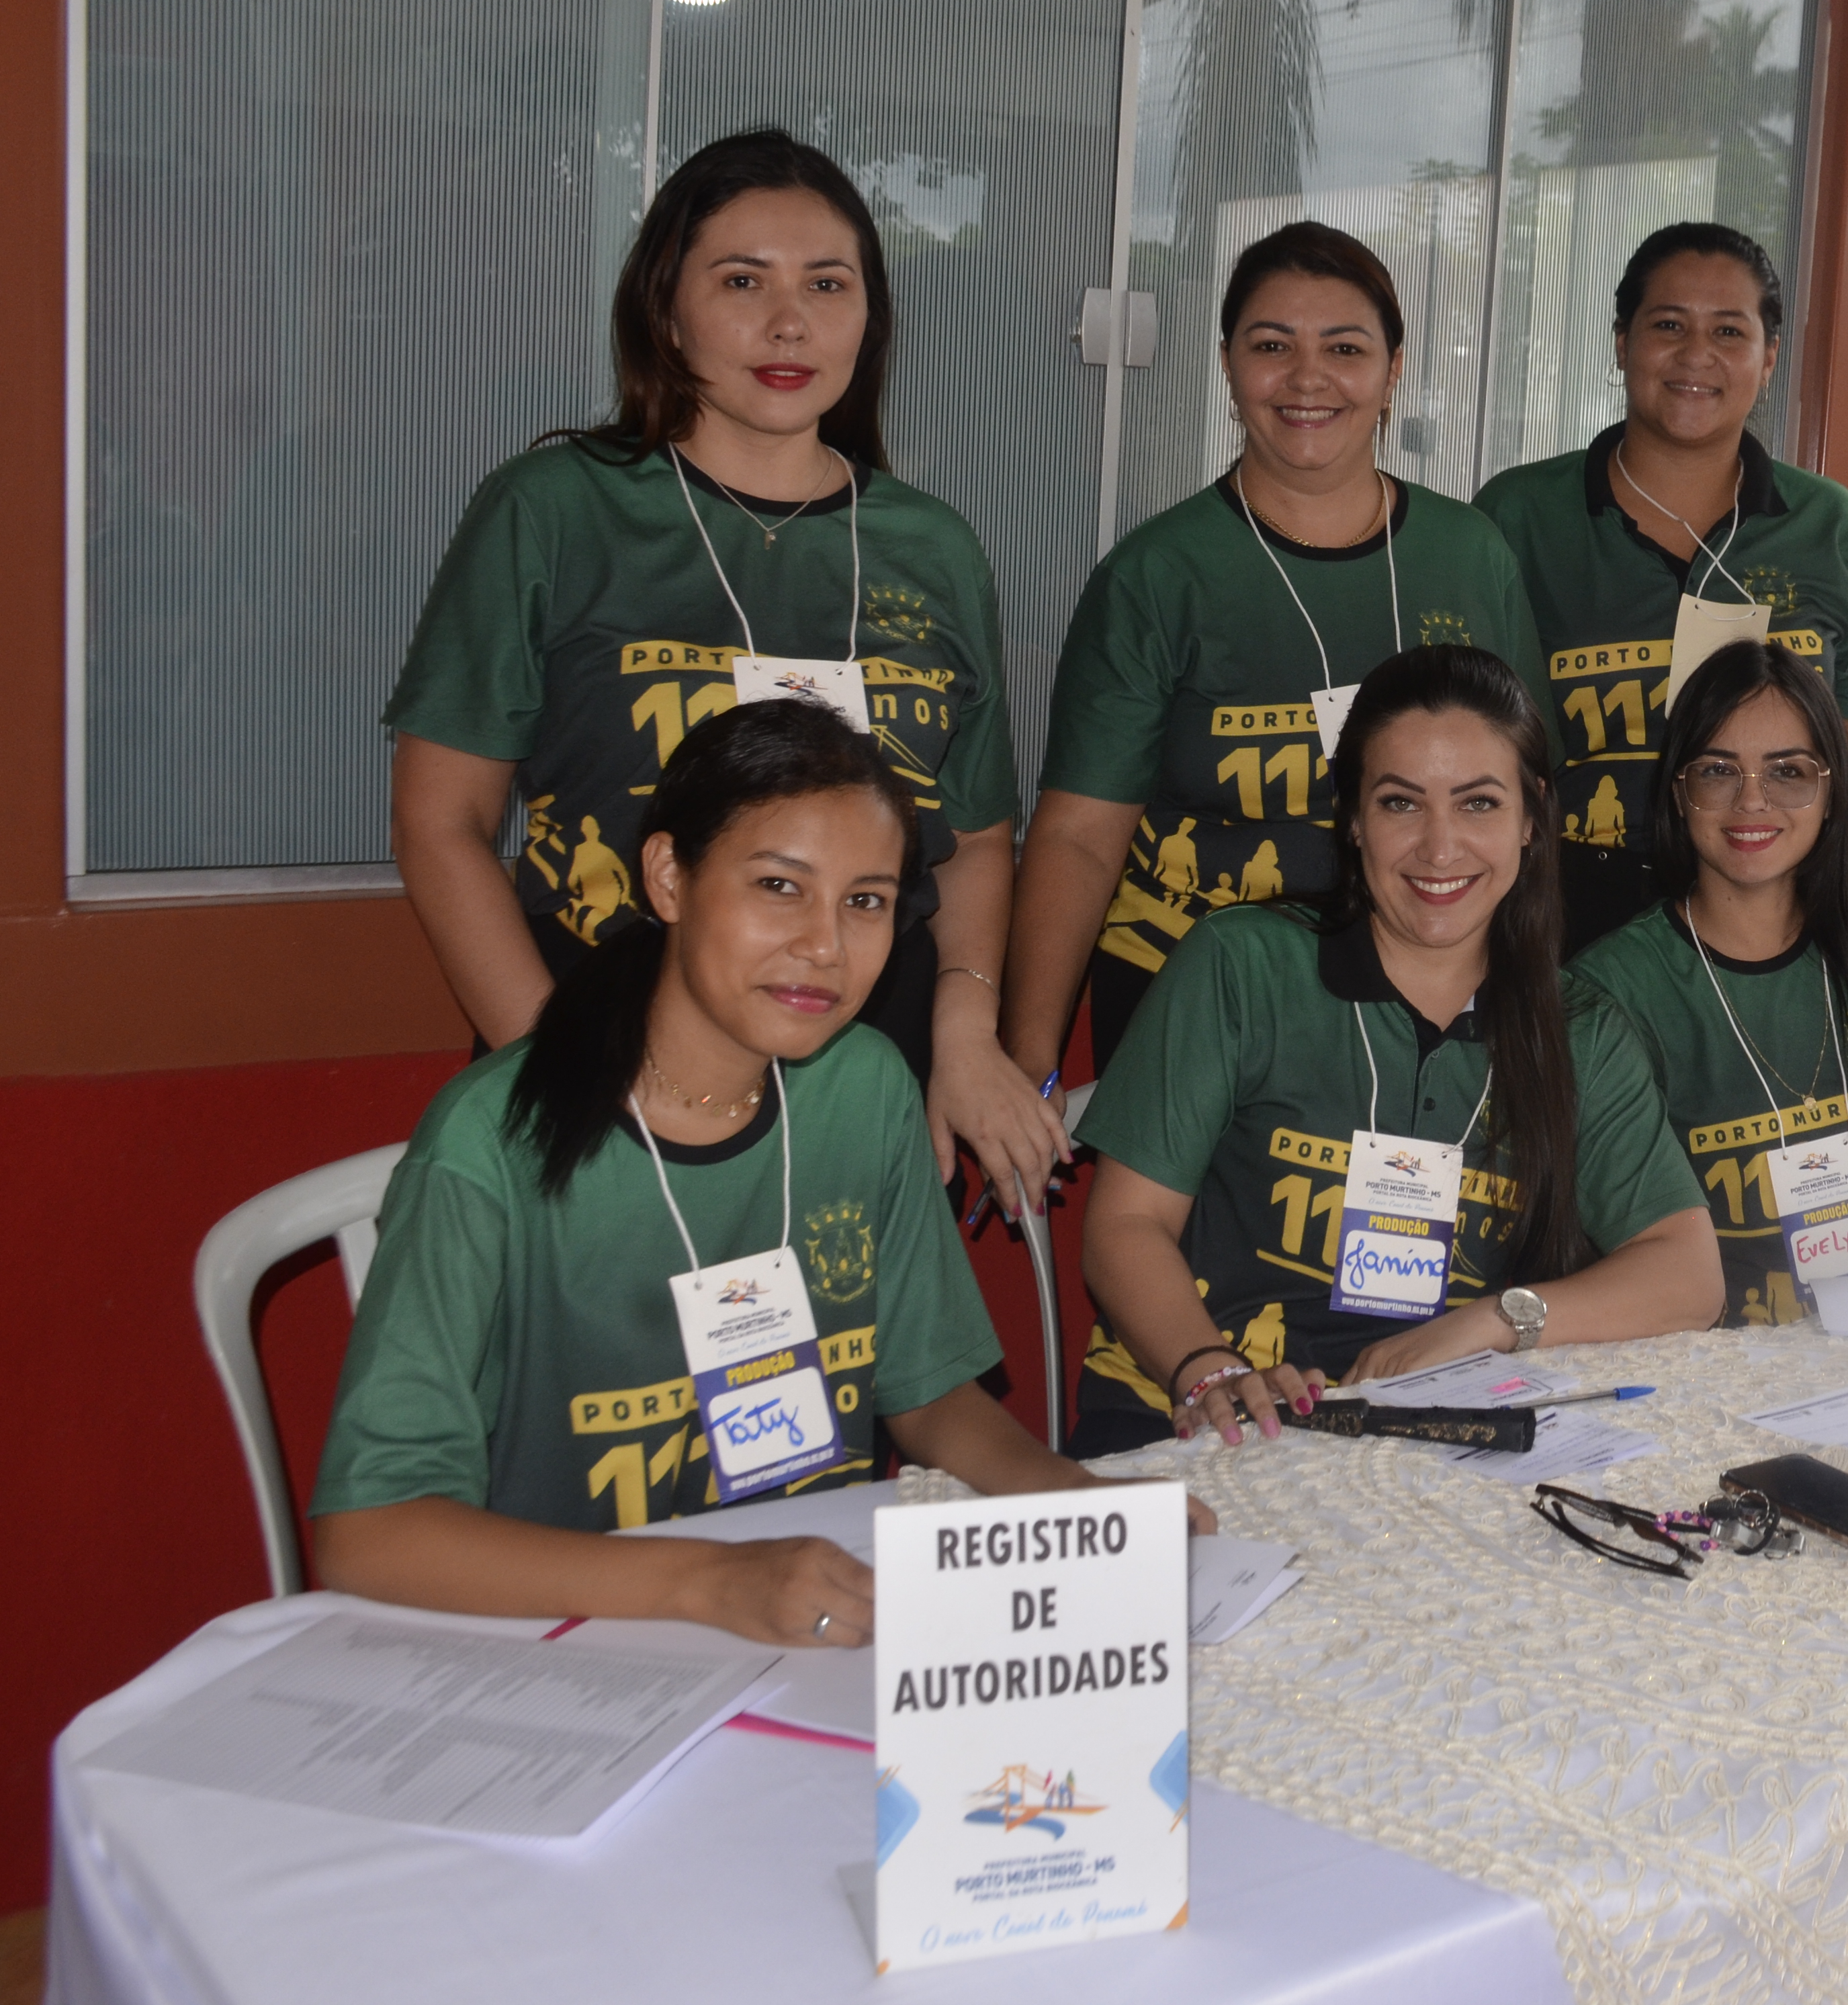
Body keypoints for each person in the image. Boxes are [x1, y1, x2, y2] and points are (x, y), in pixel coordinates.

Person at [310, 703, 1200, 1649]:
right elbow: (369, 1533)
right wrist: (710, 1582)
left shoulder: (863, 1089)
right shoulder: (491, 1141)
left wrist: (1077, 1499)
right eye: (781, 886)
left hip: (806, 1624)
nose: (826, 946)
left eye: (866, 901)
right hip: (566, 1636)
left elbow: (926, 1394)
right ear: (669, 878)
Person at [384, 128, 1067, 1214]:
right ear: (667, 307)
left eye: (827, 284)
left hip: (861, 1076)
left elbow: (976, 842)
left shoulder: (929, 547)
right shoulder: (556, 511)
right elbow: (440, 823)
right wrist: (562, 1075)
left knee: (849, 1382)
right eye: (742, 280)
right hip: (598, 1055)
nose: (788, 320)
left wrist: (965, 1036)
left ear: (867, 319)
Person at [1066, 645, 1718, 1456]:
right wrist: (1207, 1370)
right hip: (1200, 1422)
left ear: (1531, 817)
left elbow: (1689, 1274)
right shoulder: (1241, 965)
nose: (1438, 849)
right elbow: (1125, 1225)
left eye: (1478, 804)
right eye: (1400, 804)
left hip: (1423, 1432)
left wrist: (1494, 1322)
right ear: (1351, 818)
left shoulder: (1576, 1027)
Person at [1003, 223, 1552, 1085]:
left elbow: (1525, 806)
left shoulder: (1470, 555)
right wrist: (1028, 1061)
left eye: (1344, 347)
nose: (1306, 379)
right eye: (1271, 345)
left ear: (1393, 369)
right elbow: (1077, 835)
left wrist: (1531, 997)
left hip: (1428, 991)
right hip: (1184, 998)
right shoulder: (1157, 574)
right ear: (1227, 362)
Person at [1476, 222, 1848, 951]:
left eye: (1728, 332)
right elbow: (1474, 745)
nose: (1695, 356)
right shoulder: (1518, 517)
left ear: (1768, 357)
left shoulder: (1828, 525)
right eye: (1668, 325)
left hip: (1783, 921)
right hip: (1571, 925)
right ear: (1622, 343)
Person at [1575, 641, 1848, 1328]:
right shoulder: (1610, 989)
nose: (1752, 801)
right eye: (1718, 770)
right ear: (1678, 790)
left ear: (1831, 791)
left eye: (1789, 772)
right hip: (1710, 1367)